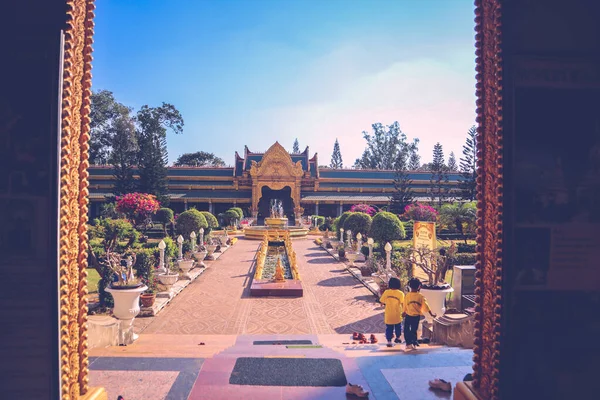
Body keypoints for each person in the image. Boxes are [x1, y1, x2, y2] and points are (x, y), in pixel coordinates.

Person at [403, 278, 437, 350]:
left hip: (408, 315)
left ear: (410, 286)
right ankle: (414, 343)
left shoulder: (407, 295)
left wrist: (404, 312)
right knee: (413, 330)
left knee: (406, 329)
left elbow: (405, 305)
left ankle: (408, 343)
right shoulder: (420, 296)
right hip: (416, 316)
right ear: (419, 287)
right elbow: (426, 306)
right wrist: (431, 314)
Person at [379, 277, 405, 348]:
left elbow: (382, 301)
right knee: (398, 327)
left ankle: (389, 341)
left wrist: (382, 304)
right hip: (397, 314)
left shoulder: (386, 292)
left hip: (388, 314)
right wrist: (404, 311)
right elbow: (403, 303)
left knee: (389, 328)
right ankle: (398, 338)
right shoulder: (400, 293)